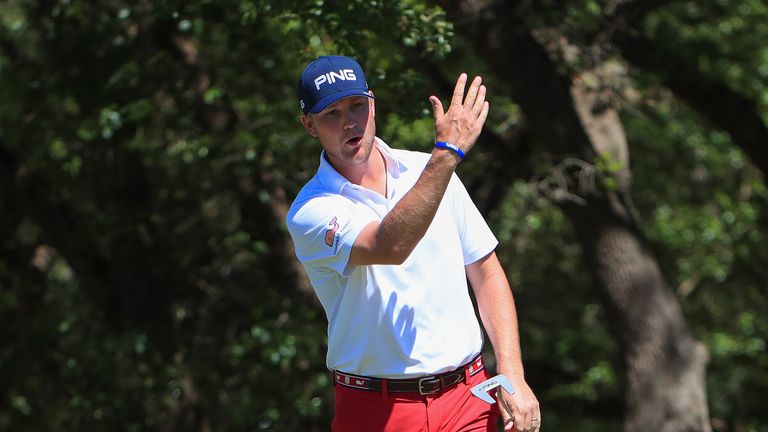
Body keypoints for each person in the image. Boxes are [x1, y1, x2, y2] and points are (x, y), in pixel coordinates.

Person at [286, 55, 540, 432]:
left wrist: (513, 373)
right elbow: (390, 245)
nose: (349, 122)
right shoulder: (311, 209)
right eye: (331, 114)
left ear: (372, 104)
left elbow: (486, 273)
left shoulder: (433, 170)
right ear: (309, 126)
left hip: (468, 398)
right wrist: (446, 155)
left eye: (356, 105)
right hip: (375, 407)